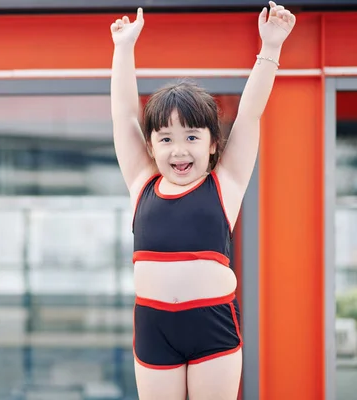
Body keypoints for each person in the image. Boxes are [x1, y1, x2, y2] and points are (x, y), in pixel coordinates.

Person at [109, 2, 296, 399]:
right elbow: (124, 116)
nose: (179, 151)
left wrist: (271, 47)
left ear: (213, 145)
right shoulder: (141, 184)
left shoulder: (224, 184)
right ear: (150, 146)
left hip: (212, 325)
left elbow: (249, 115)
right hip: (154, 326)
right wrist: (123, 49)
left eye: (192, 137)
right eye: (166, 139)